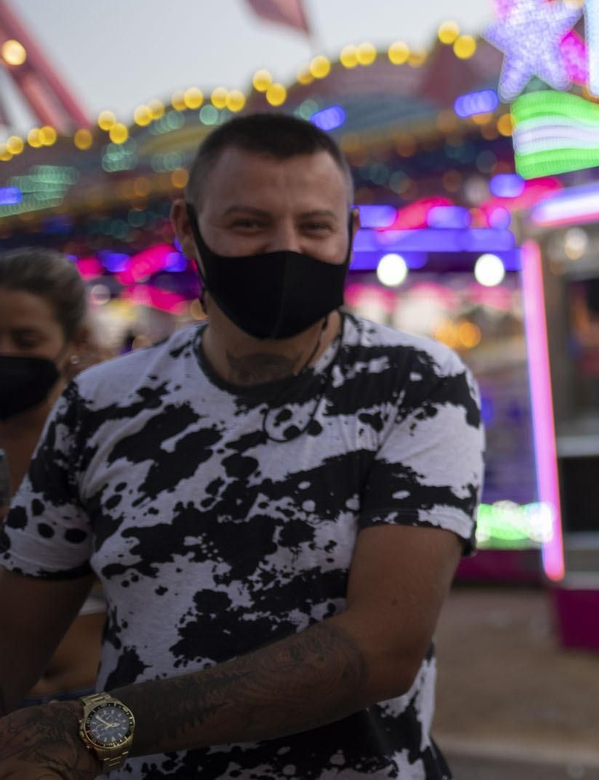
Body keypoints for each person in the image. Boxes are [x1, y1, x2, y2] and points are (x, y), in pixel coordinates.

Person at [0, 113, 485, 779]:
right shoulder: (99, 404)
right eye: (249, 224)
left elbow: (380, 648)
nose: (285, 250)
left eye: (315, 226)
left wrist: (93, 729)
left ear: (349, 229)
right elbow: (13, 636)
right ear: (188, 231)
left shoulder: (414, 382)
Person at [0, 249, 107, 706]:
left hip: (94, 709)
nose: (3, 354)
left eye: (26, 340)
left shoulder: (107, 445)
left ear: (75, 342)